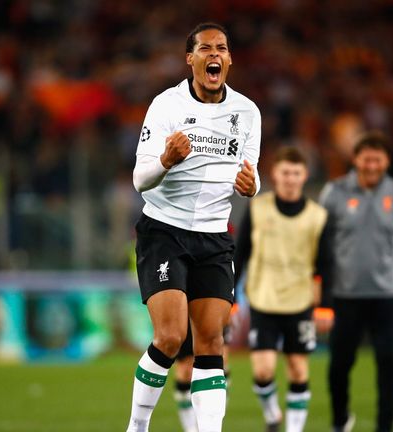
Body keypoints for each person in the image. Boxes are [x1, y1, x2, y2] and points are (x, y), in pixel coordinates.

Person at [126, 22, 261, 432]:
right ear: (191, 59)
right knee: (169, 337)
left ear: (230, 59)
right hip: (165, 229)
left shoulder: (248, 113)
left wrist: (252, 187)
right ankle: (137, 425)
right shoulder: (165, 106)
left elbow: (253, 179)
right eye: (205, 48)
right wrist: (166, 159)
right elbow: (139, 179)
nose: (213, 54)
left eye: (221, 47)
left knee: (211, 342)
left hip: (214, 236)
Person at [319, 132, 393, 432]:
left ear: (386, 161)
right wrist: (321, 296)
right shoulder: (334, 192)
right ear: (356, 159)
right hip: (344, 294)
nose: (372, 165)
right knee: (339, 365)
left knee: (388, 362)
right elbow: (321, 247)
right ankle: (340, 420)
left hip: (387, 293)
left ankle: (384, 427)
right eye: (367, 158)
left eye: (378, 159)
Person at [233, 146, 330, 432]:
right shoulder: (257, 208)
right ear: (274, 174)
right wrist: (232, 298)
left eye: (296, 173)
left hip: (299, 302)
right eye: (285, 172)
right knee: (262, 372)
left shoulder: (317, 216)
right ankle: (272, 413)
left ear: (305, 176)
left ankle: (293, 429)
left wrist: (325, 305)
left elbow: (326, 264)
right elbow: (240, 254)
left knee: (298, 369)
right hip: (263, 300)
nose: (290, 178)